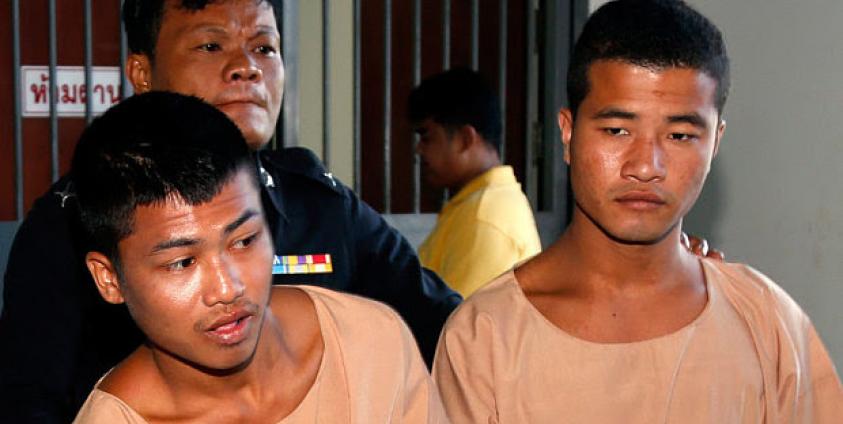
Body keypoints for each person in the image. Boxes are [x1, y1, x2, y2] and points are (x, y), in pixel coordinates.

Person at [0, 0, 459, 421]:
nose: (246, 68)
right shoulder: (69, 226)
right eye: (211, 45)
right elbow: (30, 402)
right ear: (142, 73)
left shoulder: (320, 204)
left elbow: (451, 337)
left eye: (264, 47)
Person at [433, 1, 843, 422]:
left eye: (680, 135)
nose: (647, 166)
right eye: (616, 130)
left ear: (715, 142)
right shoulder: (484, 338)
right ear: (568, 131)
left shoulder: (768, 325)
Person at [69, 91, 445, 423]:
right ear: (109, 279)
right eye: (182, 262)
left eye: (244, 240)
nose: (227, 288)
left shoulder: (368, 342)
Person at [409, 68, 541, 297]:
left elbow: (456, 326)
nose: (419, 150)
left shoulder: (485, 216)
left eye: (427, 136)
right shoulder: (478, 205)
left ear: (465, 139)